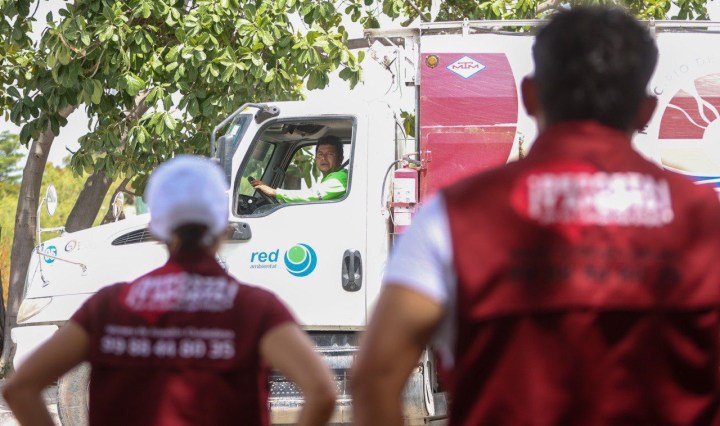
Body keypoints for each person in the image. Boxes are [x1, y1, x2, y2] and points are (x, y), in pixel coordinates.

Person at [351, 7, 720, 426]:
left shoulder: (453, 217)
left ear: (529, 96)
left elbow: (375, 377)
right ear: (647, 111)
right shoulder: (705, 219)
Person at [3, 156, 337, 426]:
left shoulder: (109, 306)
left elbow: (21, 388)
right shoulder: (256, 309)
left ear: (155, 228)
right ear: (224, 225)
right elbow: (322, 392)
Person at [251, 135, 348, 203]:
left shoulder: (341, 177)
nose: (323, 158)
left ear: (340, 158)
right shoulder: (330, 178)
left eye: (330, 154)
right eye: (320, 154)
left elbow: (314, 195)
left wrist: (275, 192)